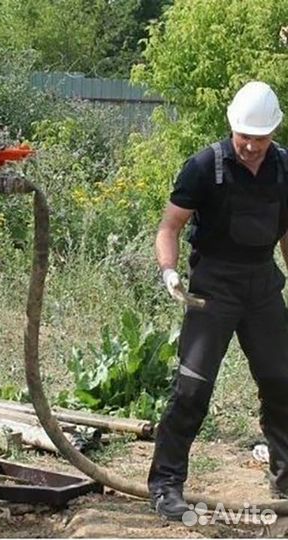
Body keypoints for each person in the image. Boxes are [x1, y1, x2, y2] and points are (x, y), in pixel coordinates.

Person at [151, 80, 288, 520]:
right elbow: (168, 227)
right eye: (244, 135)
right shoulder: (203, 166)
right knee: (192, 388)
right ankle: (166, 484)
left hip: (263, 286)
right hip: (212, 288)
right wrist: (170, 272)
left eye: (260, 137)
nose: (250, 145)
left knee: (282, 381)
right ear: (232, 127)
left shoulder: (285, 169)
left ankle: (284, 479)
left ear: (273, 133)